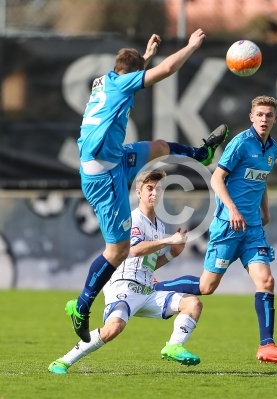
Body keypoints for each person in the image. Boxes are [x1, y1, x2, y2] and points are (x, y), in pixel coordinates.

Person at [67, 28, 229, 343]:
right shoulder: (119, 86)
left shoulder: (108, 80)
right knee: (119, 249)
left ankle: (201, 153)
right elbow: (167, 71)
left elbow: (134, 74)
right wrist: (191, 46)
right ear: (133, 74)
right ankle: (82, 305)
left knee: (157, 146)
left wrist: (145, 57)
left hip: (113, 157)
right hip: (102, 175)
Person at [154, 96, 277, 365]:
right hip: (228, 226)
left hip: (252, 228)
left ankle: (266, 345)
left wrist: (264, 211)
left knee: (266, 281)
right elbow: (217, 178)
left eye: (269, 115)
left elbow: (261, 180)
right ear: (251, 117)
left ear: (275, 119)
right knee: (206, 287)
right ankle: (153, 286)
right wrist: (232, 209)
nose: (264, 119)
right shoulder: (241, 143)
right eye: (260, 114)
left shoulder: (273, 149)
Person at [49, 170, 203, 374]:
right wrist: (168, 241)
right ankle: (62, 361)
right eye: (149, 188)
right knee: (113, 329)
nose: (154, 193)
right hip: (124, 286)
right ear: (139, 192)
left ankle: (173, 346)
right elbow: (135, 249)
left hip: (146, 291)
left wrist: (173, 253)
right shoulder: (134, 219)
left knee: (193, 303)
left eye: (158, 189)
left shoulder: (159, 225)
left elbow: (147, 264)